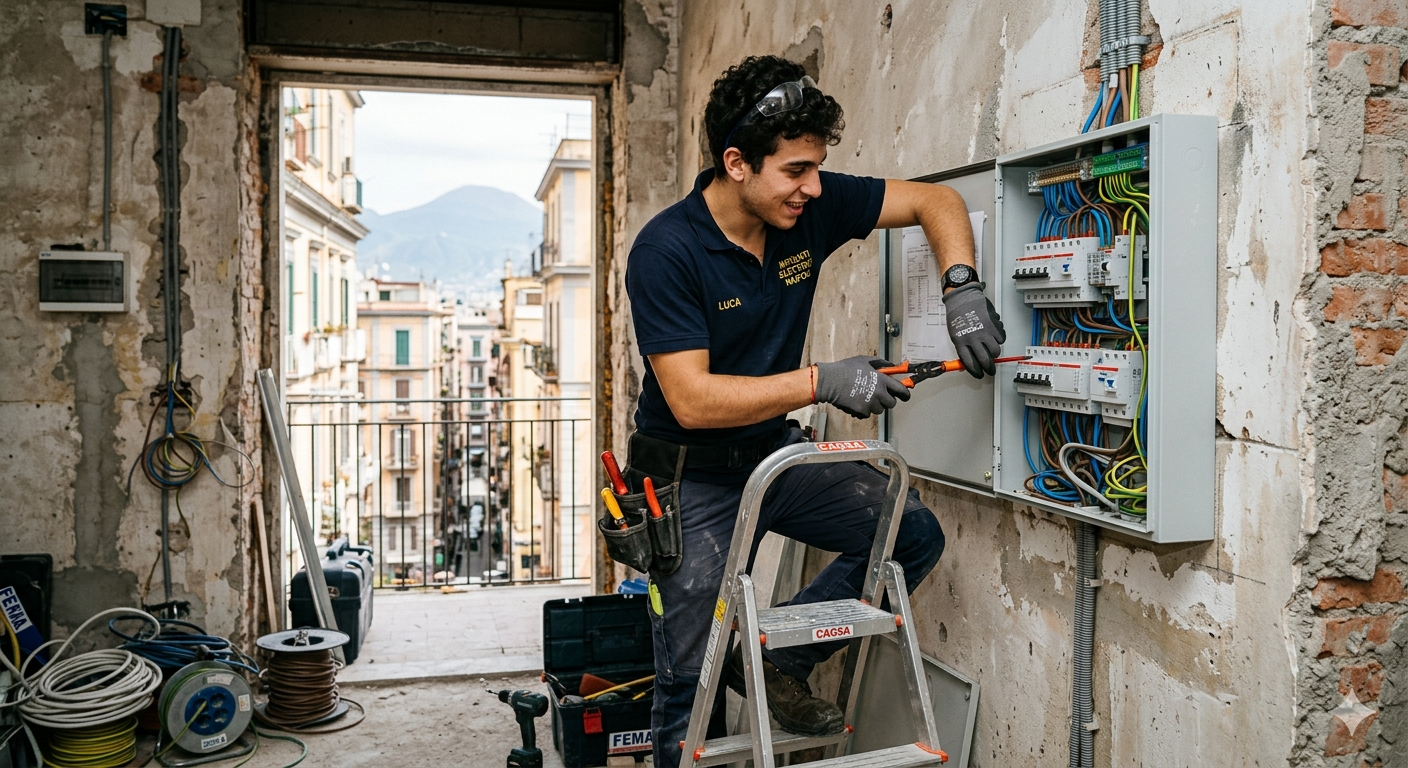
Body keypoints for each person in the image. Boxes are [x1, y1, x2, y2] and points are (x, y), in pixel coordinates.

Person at [623, 55, 1005, 768]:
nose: (814, 186)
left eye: (817, 168)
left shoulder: (810, 209)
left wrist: (961, 286)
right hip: (690, 478)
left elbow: (934, 201)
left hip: (773, 455)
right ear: (736, 163)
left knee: (909, 532)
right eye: (796, 170)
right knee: (686, 673)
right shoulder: (667, 251)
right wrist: (823, 381)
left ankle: (775, 659)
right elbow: (693, 399)